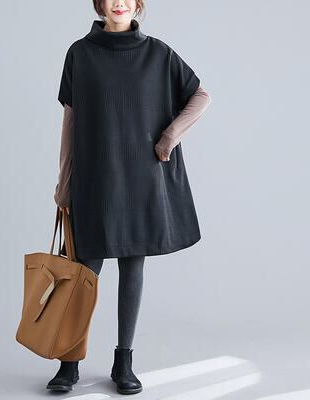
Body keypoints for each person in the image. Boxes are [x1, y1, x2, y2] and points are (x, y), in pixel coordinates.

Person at [49, 0, 211, 395]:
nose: (118, 2)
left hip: (140, 180)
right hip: (95, 179)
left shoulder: (158, 54)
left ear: (138, 4)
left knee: (132, 267)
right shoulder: (80, 54)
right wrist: (64, 181)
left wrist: (169, 137)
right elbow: (70, 121)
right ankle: (69, 362)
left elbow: (200, 96)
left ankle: (124, 363)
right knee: (82, 273)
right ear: (99, 4)